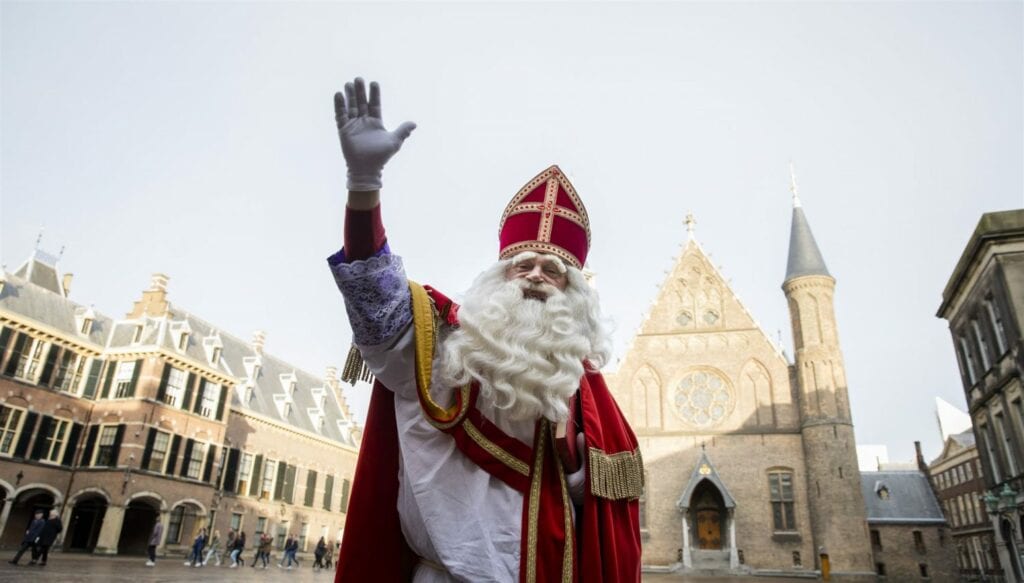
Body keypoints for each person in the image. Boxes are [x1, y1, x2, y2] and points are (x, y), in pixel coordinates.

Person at [329, 77, 642, 582]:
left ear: (574, 292)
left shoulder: (587, 395)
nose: (537, 275)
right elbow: (372, 288)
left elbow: (607, 530)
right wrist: (364, 186)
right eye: (523, 265)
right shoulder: (443, 345)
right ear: (498, 277)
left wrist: (578, 478)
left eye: (553, 269)